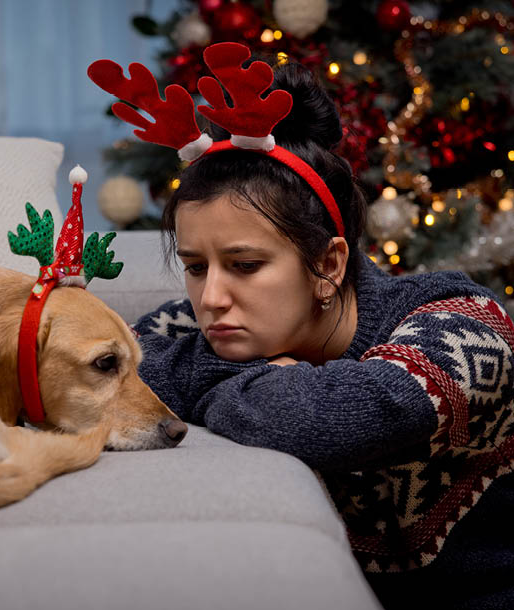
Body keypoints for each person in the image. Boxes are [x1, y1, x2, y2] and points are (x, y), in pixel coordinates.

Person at [95, 48, 514, 609]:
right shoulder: (191, 326)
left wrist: (222, 385)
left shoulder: (463, 322)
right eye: (196, 267)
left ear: (329, 264)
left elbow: (362, 412)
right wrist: (248, 374)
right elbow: (101, 371)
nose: (211, 299)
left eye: (245, 266)